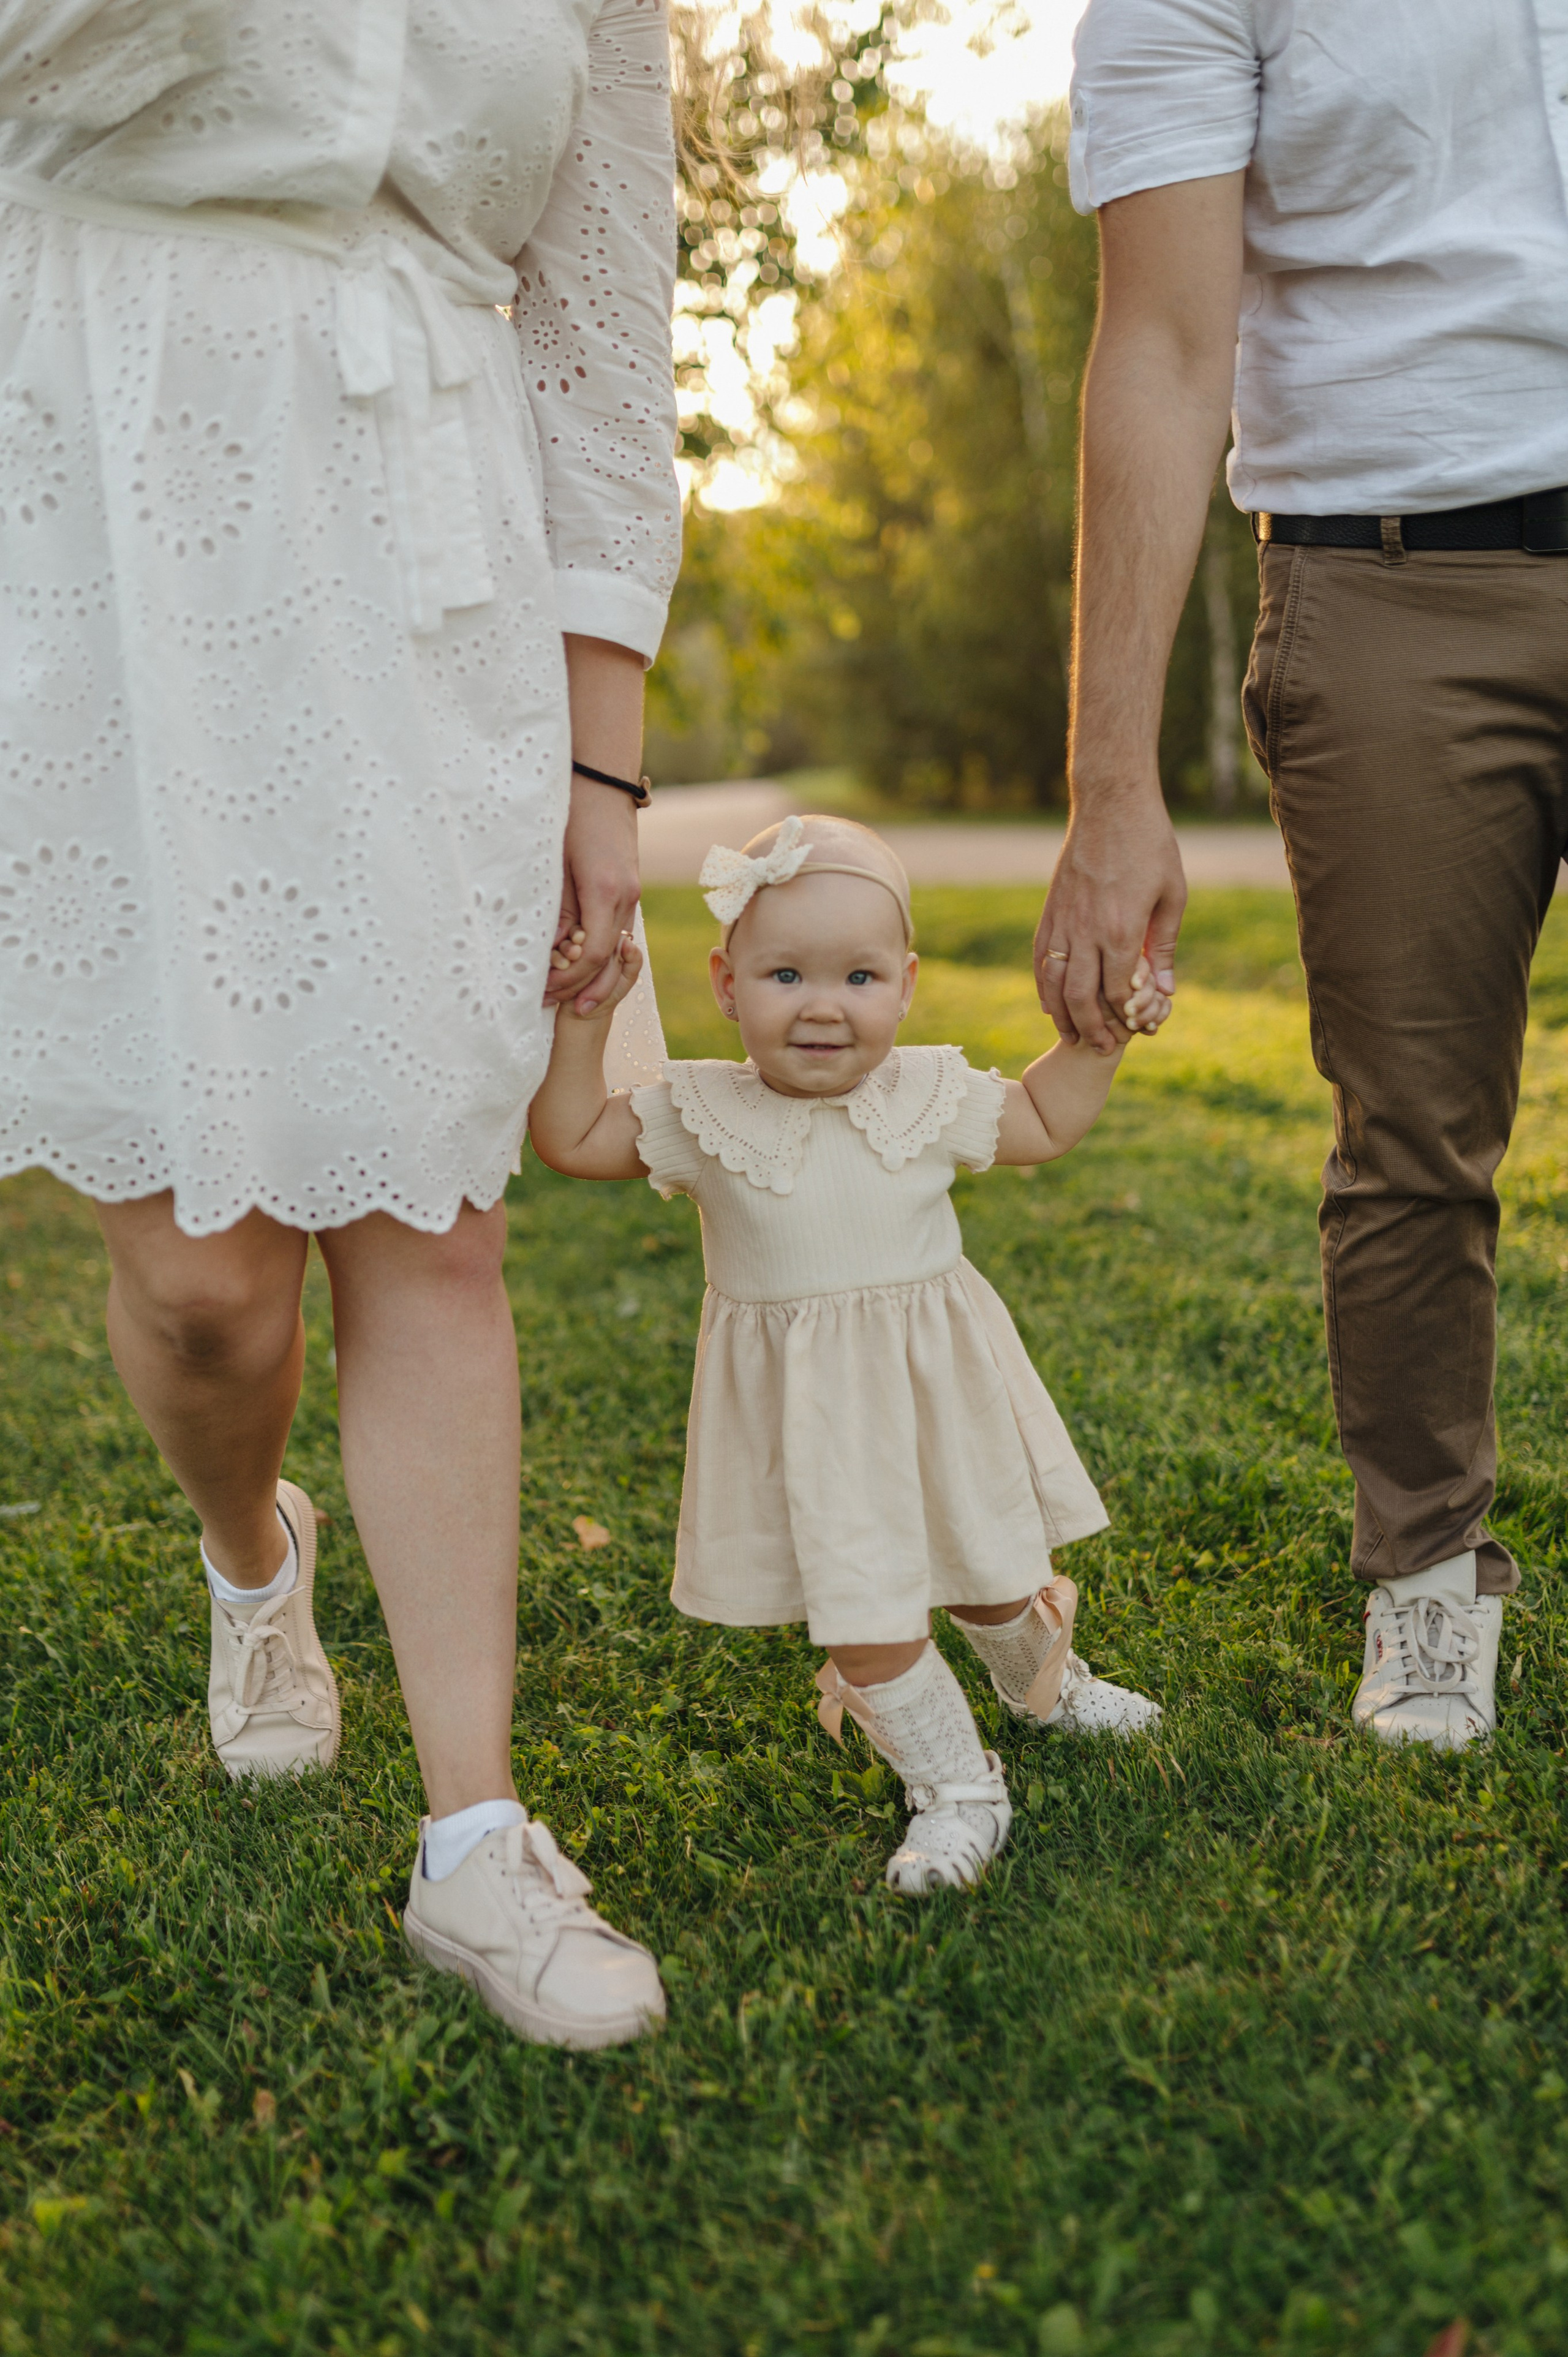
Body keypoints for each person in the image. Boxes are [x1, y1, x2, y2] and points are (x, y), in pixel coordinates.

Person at [0, 0, 681, 2048]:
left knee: (433, 1220)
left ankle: (477, 1836)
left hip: (428, 549)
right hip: (93, 506)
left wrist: (607, 774)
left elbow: (602, 336)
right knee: (209, 1287)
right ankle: (248, 1546)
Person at [1036, 0, 1568, 1752]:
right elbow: (1165, 350)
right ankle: (1428, 1584)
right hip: (1395, 580)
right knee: (1416, 1125)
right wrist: (1112, 783)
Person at [529, 815, 1164, 1895]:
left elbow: (1047, 1122)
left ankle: (1043, 1682)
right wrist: (584, 1019)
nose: (825, 1005)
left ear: (906, 985)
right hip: (809, 1422)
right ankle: (957, 1785)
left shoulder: (925, 1096)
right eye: (786, 974)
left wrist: (1098, 1039)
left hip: (936, 1396)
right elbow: (575, 1137)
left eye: (860, 976)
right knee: (866, 1615)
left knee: (990, 1575)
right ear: (727, 986)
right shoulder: (704, 1108)